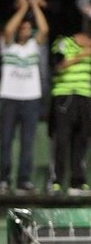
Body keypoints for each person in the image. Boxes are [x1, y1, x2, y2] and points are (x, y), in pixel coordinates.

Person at [0, 0, 49, 196]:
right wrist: (23, 8)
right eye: (23, 27)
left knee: (27, 142)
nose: (25, 30)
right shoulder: (7, 46)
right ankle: (3, 179)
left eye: (28, 27)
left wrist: (34, 5)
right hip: (9, 98)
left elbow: (44, 29)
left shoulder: (33, 47)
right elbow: (8, 29)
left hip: (31, 99)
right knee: (6, 141)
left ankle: (24, 180)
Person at [47, 32, 91, 196]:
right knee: (62, 140)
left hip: (85, 97)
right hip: (65, 96)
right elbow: (58, 66)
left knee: (82, 140)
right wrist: (82, 55)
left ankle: (77, 182)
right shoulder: (63, 43)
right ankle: (56, 181)